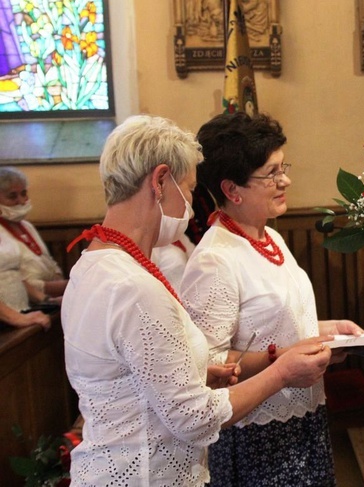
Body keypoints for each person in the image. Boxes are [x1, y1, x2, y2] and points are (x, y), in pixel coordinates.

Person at [61, 114, 333, 486]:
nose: (191, 205)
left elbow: (122, 370)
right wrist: (281, 372)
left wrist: (200, 371)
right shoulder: (133, 286)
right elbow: (193, 419)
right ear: (159, 181)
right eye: (188, 189)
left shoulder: (93, 265)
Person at [180, 112, 364, 487]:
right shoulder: (215, 260)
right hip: (256, 435)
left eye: (284, 167)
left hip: (303, 418)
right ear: (233, 190)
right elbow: (208, 364)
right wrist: (281, 360)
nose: (286, 180)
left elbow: (272, 322)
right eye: (272, 173)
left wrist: (326, 333)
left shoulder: (271, 238)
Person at [0, 167, 67, 304]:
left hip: (50, 297)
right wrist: (68, 287)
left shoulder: (26, 225)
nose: (21, 201)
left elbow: (49, 262)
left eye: (24, 193)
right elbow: (15, 280)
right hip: (26, 301)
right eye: (12, 196)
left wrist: (64, 287)